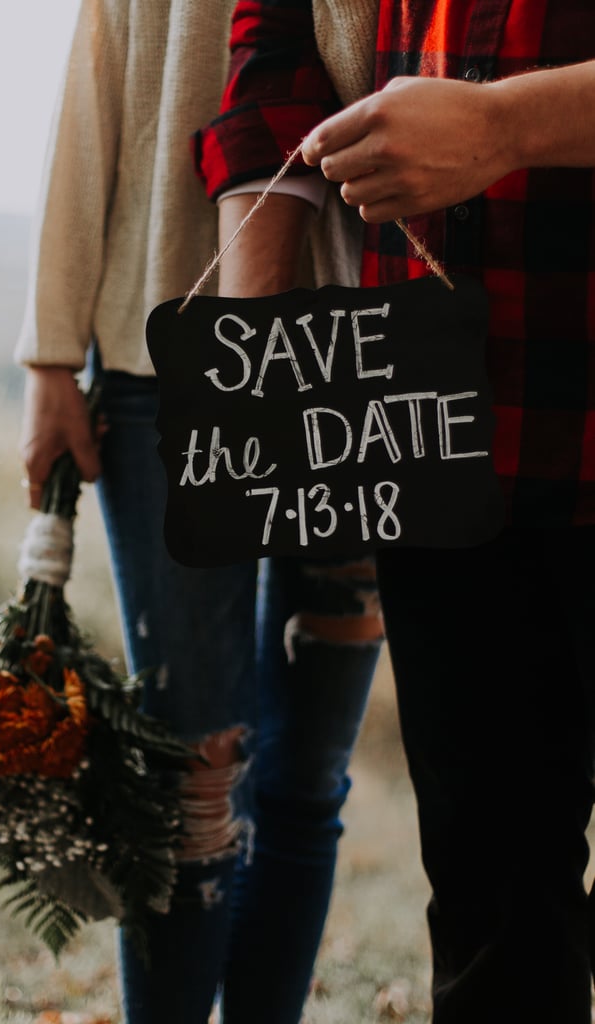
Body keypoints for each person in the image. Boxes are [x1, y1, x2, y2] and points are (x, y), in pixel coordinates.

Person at [196, 2, 595, 1022]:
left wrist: (510, 125)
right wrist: (254, 358)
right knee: (486, 911)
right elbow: (275, 62)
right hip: (435, 418)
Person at [16, 2, 383, 1022]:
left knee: (308, 779)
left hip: (358, 373)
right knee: (189, 782)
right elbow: (92, 83)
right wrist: (50, 353)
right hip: (159, 354)